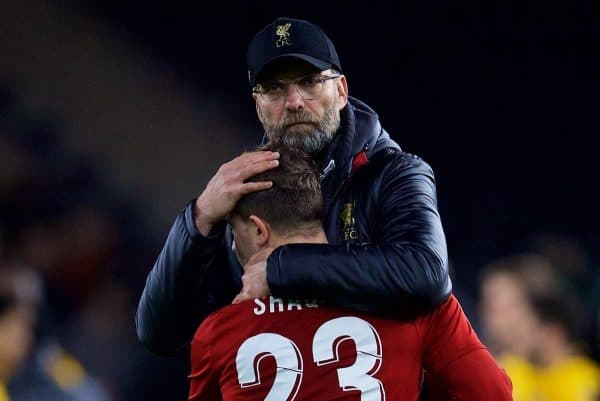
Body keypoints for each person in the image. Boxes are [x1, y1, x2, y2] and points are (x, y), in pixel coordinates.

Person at [137, 17, 452, 356]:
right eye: (274, 88)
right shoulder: (246, 194)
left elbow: (427, 274)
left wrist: (278, 267)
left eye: (310, 82)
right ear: (258, 105)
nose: (294, 101)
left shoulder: (394, 174)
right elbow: (158, 332)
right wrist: (197, 220)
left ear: (341, 91)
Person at [188, 144, 512, 400]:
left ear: (259, 230)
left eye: (234, 231)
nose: (232, 246)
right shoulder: (413, 305)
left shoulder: (219, 333)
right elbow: (491, 393)